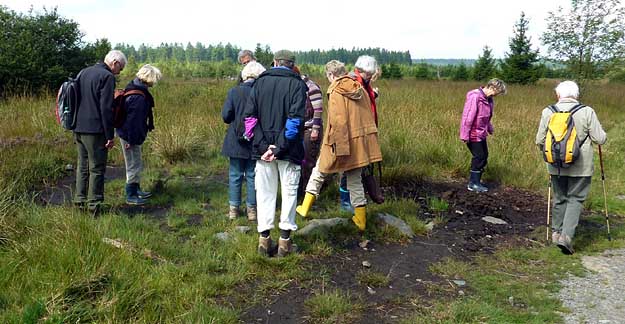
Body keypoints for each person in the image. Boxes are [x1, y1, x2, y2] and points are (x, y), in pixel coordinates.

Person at [296, 60, 382, 231]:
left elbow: (339, 122)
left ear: (331, 75)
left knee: (319, 172)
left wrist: (341, 149)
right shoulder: (360, 88)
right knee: (355, 179)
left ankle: (304, 208)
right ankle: (360, 219)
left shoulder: (336, 90)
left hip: (339, 142)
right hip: (360, 142)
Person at [242, 50, 307, 257]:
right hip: (288, 150)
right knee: (289, 193)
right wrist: (279, 147)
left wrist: (263, 146)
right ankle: (284, 242)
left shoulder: (259, 83)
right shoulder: (298, 84)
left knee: (264, 194)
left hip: (263, 151)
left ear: (275, 62)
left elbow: (249, 117)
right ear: (292, 64)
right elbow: (295, 120)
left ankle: (264, 240)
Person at [535, 80, 606, 254]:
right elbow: (600, 139)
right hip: (581, 166)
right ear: (576, 95)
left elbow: (539, 141)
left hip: (555, 166)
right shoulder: (587, 111)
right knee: (575, 199)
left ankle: (555, 233)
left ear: (558, 95)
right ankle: (566, 237)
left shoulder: (548, 111)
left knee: (560, 198)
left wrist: (553, 155)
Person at [73, 50, 126, 212]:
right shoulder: (107, 77)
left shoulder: (83, 72)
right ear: (115, 62)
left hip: (78, 127)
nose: (120, 72)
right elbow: (106, 108)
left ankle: (79, 201)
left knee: (82, 166)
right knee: (97, 168)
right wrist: (110, 135)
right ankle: (94, 206)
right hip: (95, 130)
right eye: (121, 68)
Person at [221, 61, 266, 221]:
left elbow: (226, 116)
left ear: (244, 75)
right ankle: (252, 211)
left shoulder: (234, 92)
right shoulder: (262, 93)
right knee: (253, 176)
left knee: (235, 175)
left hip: (235, 140)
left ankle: (233, 210)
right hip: (255, 140)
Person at [116, 64, 163, 205]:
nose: (155, 82)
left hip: (129, 133)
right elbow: (133, 121)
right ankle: (130, 195)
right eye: (155, 79)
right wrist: (131, 139)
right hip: (129, 135)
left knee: (136, 163)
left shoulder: (134, 87)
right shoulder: (138, 96)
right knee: (132, 165)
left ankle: (136, 190)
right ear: (149, 78)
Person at [339, 55, 381, 212]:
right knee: (350, 168)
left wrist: (373, 96)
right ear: (362, 70)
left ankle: (354, 200)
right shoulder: (353, 83)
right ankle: (345, 202)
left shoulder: (364, 83)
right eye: (369, 74)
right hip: (353, 132)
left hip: (364, 131)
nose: (370, 76)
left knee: (359, 168)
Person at [459, 78, 507, 192]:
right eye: (497, 92)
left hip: (481, 133)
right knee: (479, 157)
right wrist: (464, 135)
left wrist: (489, 127)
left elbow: (486, 117)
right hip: (473, 133)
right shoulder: (475, 97)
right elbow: (468, 117)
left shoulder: (489, 99)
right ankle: (473, 184)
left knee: (484, 156)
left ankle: (476, 181)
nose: (497, 95)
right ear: (492, 87)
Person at [292, 66, 324, 198]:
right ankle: (298, 193)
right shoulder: (294, 86)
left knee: (308, 163)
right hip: (298, 129)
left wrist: (315, 130)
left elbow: (318, 110)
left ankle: (308, 194)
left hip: (310, 129)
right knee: (298, 162)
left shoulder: (311, 87)